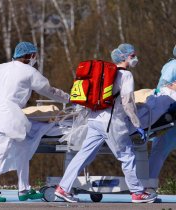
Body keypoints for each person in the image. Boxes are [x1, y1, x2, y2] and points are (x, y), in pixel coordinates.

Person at [54, 43, 157, 203]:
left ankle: (63, 188)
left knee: (83, 155)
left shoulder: (105, 74)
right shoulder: (126, 76)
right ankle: (137, 193)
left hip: (95, 119)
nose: (135, 58)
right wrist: (137, 124)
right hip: (112, 123)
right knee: (127, 156)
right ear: (124, 57)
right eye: (132, 56)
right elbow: (127, 103)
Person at [0, 42, 70, 202]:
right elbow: (48, 90)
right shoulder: (29, 71)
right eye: (35, 55)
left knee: (22, 149)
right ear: (30, 56)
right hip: (9, 113)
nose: (35, 58)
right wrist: (68, 98)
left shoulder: (0, 68)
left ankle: (24, 189)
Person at [147, 44, 176, 194]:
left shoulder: (171, 66)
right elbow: (164, 89)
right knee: (159, 151)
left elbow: (161, 89)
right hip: (169, 115)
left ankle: (148, 186)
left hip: (168, 115)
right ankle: (148, 186)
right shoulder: (173, 66)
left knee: (159, 151)